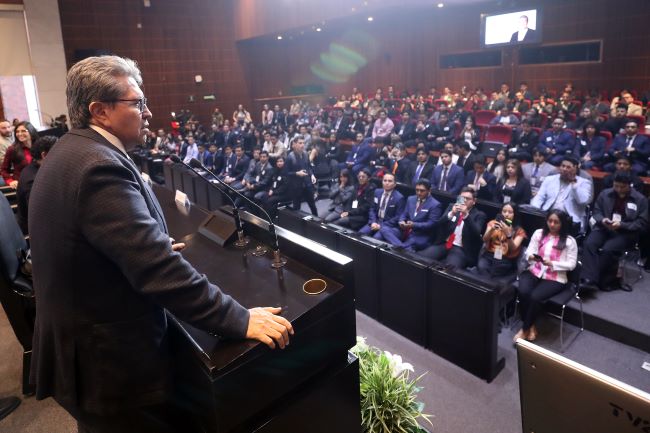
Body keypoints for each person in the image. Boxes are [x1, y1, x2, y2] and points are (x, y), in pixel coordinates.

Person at [28, 56, 293, 432]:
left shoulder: (73, 150)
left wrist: (140, 246)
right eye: (137, 103)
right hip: (107, 362)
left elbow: (85, 244)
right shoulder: (98, 166)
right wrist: (240, 318)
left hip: (86, 343)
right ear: (100, 111)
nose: (149, 112)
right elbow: (159, 272)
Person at [514, 210, 578, 342]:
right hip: (535, 270)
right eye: (550, 221)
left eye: (556, 222)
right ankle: (531, 326)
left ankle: (524, 329)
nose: (552, 224)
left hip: (556, 277)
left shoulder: (569, 241)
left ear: (562, 223)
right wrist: (532, 256)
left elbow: (572, 264)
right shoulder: (539, 233)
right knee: (523, 291)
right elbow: (529, 251)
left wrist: (553, 263)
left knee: (535, 297)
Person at [581, 173, 648, 292]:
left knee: (608, 249)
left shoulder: (640, 199)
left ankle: (590, 278)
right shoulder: (605, 194)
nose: (619, 189)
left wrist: (622, 225)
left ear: (629, 185)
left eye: (622, 187)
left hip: (626, 233)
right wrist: (603, 220)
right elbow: (596, 212)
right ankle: (590, 279)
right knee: (589, 243)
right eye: (616, 186)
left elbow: (641, 223)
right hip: (605, 227)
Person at [421, 187, 486, 269]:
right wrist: (451, 213)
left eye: (468, 198)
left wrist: (466, 216)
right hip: (444, 243)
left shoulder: (479, 215)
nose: (464, 200)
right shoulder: (452, 206)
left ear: (474, 201)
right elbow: (439, 224)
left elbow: (476, 234)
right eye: (462, 198)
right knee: (421, 258)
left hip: (461, 248)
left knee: (449, 270)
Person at [531, 156, 592, 234]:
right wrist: (535, 210)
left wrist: (574, 184)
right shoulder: (550, 179)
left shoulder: (584, 183)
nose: (564, 169)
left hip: (570, 219)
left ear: (575, 169)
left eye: (568, 167)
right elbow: (539, 197)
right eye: (563, 166)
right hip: (548, 215)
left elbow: (583, 201)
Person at [16, 136, 57, 234]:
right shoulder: (34, 181)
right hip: (38, 231)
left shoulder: (33, 168)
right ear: (45, 155)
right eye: (60, 152)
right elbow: (43, 216)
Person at [477, 202, 527, 277]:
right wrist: (491, 230)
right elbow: (485, 239)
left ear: (515, 214)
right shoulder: (492, 223)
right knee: (482, 267)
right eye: (504, 211)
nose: (506, 214)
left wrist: (508, 234)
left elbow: (513, 248)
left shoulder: (519, 231)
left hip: (505, 259)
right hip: (489, 255)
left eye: (510, 212)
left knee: (495, 271)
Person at [359, 172, 406, 239]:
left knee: (376, 238)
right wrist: (373, 222)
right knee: (360, 233)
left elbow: (398, 217)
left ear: (395, 184)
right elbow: (372, 209)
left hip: (388, 225)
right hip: (376, 221)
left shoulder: (399, 198)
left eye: (390, 181)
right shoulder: (377, 192)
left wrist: (381, 225)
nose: (387, 183)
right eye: (385, 180)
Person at [286, 136, 318, 216]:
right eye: (300, 143)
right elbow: (286, 173)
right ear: (294, 144)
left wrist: (312, 175)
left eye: (303, 143)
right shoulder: (290, 157)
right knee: (297, 208)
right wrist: (297, 173)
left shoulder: (306, 154)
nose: (302, 145)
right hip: (296, 186)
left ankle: (318, 221)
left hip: (307, 184)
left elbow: (309, 167)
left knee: (312, 205)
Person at [1, 121, 38, 188]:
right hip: (24, 185)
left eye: (23, 131)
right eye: (17, 132)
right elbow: (4, 170)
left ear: (31, 131)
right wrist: (10, 181)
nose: (19, 134)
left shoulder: (40, 146)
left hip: (40, 182)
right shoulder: (12, 149)